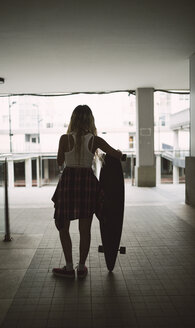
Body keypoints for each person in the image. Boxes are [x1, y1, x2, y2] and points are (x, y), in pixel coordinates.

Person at [52, 105, 123, 278]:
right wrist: (119, 153)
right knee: (85, 230)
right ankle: (82, 267)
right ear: (90, 120)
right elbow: (116, 154)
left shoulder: (64, 139)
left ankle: (69, 267)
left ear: (73, 119)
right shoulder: (95, 140)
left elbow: (60, 162)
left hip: (68, 183)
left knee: (63, 226)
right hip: (87, 184)